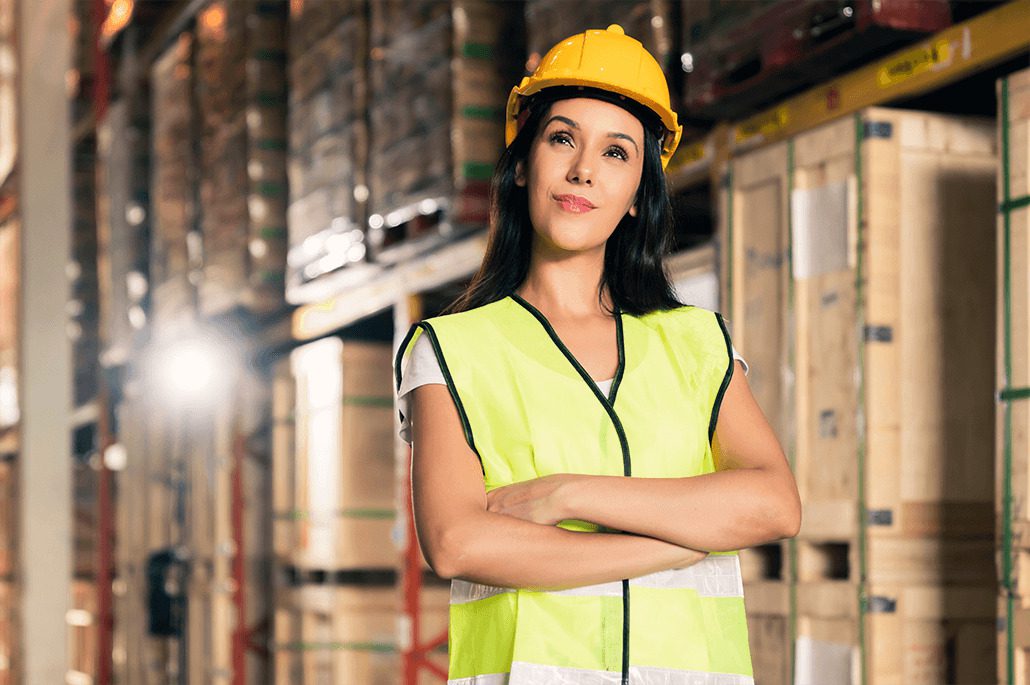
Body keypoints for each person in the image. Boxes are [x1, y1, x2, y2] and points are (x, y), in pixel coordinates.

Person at [393, 24, 801, 685]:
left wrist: (566, 493)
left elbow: (773, 503)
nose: (584, 168)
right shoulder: (450, 350)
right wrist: (671, 541)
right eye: (563, 138)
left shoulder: (697, 342)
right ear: (523, 163)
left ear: (640, 192)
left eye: (617, 153)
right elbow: (457, 541)